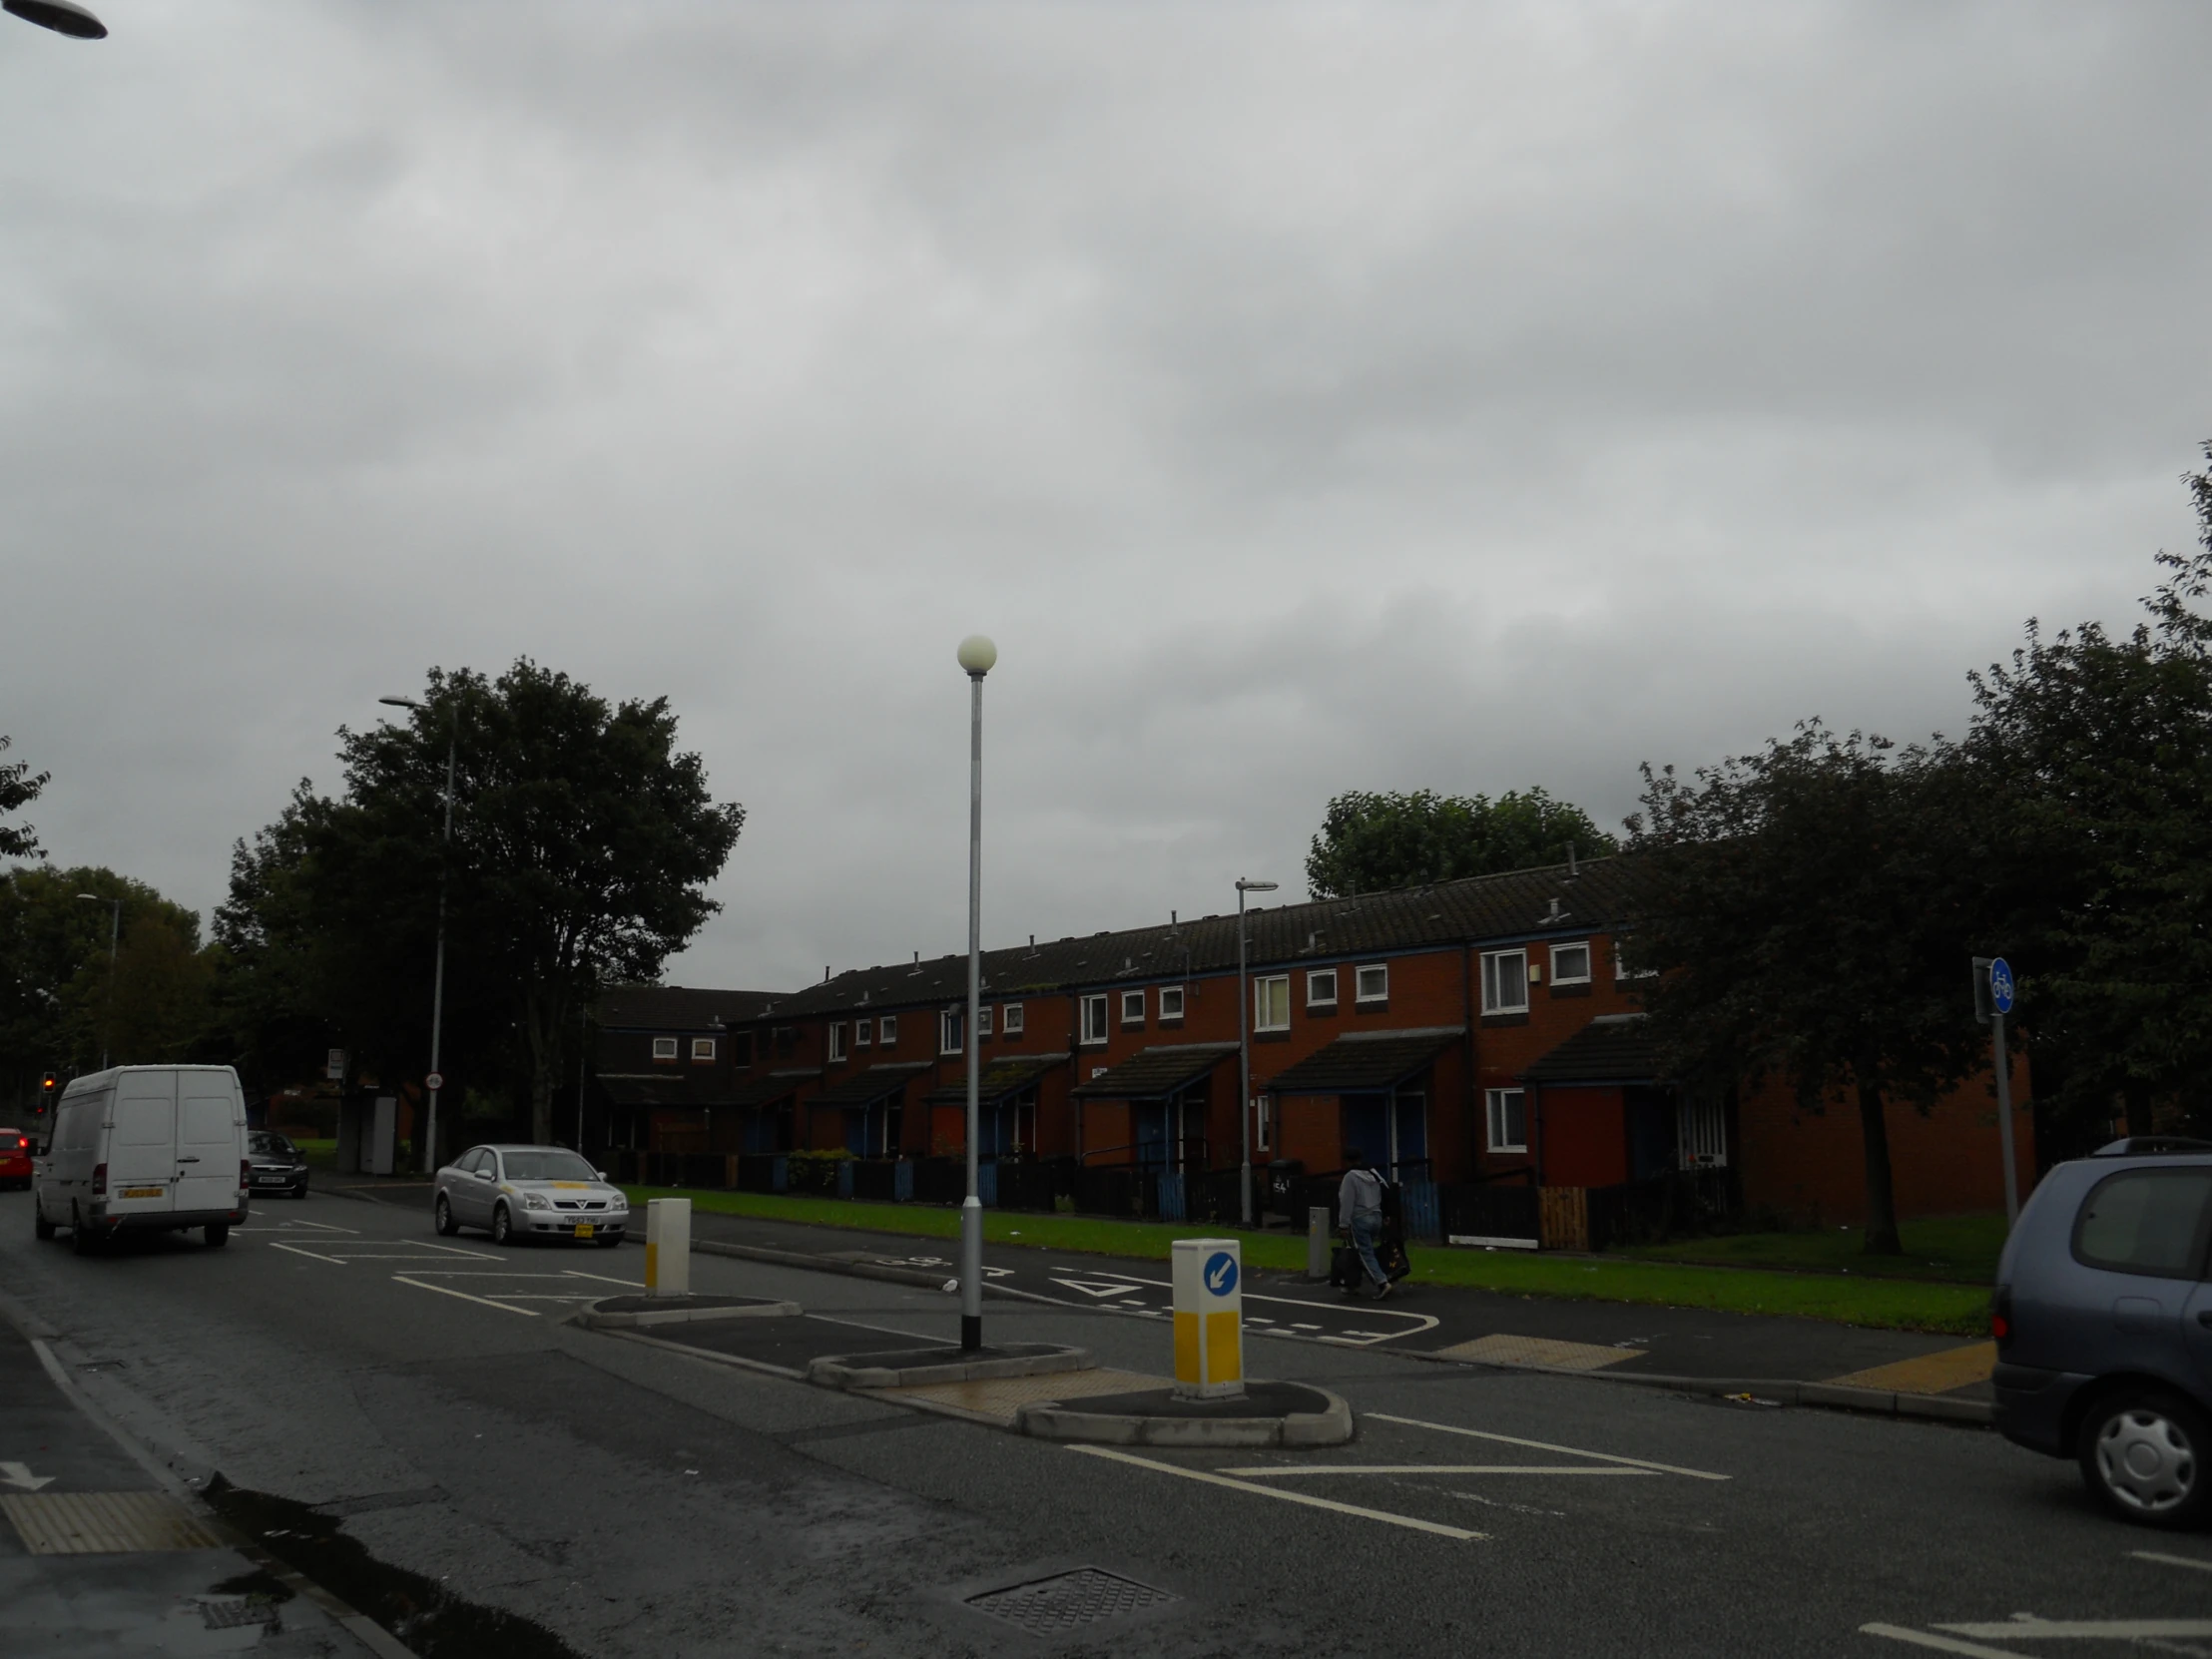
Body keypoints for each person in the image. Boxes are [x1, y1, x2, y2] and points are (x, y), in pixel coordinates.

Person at [1337, 1147, 1392, 1300]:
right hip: (1376, 1217)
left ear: (1347, 1160)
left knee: (1364, 1252)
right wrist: (1386, 1214)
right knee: (1360, 1251)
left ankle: (1382, 1282)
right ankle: (1350, 1285)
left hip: (1360, 1218)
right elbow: (1386, 1191)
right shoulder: (1373, 1173)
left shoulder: (1350, 1177)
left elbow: (1347, 1201)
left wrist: (1343, 1224)